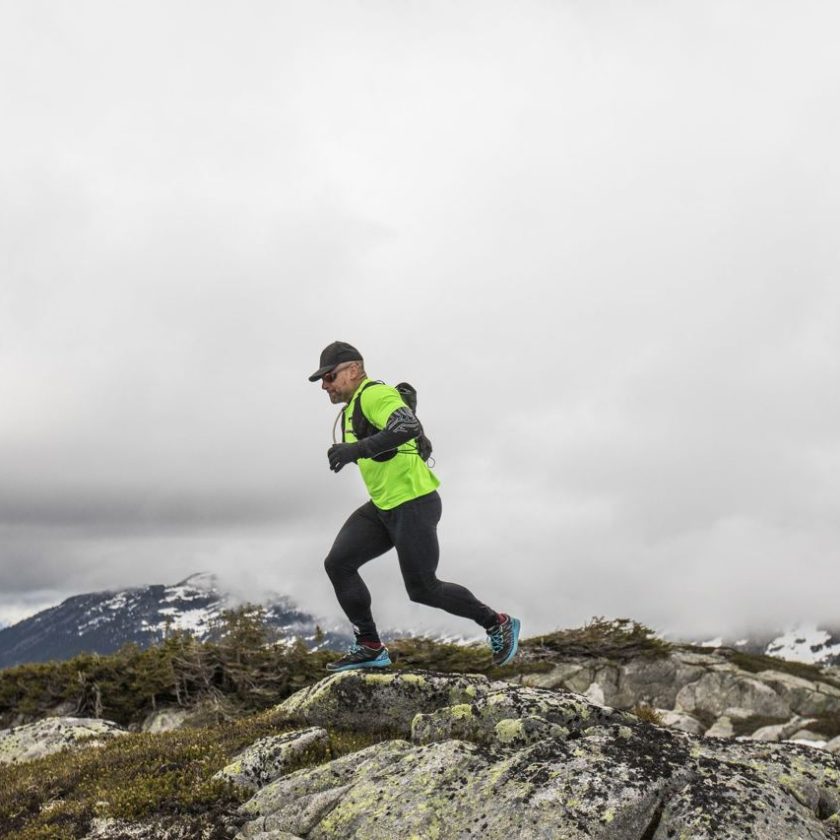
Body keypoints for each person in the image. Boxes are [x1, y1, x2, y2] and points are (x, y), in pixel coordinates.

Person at [309, 340, 521, 672]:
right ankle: (369, 645)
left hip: (414, 504)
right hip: (384, 507)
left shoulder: (374, 395)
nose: (325, 385)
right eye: (322, 380)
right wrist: (355, 451)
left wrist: (356, 450)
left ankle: (497, 623)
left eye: (330, 377)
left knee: (423, 588)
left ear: (353, 370)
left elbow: (408, 426)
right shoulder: (352, 407)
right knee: (338, 563)